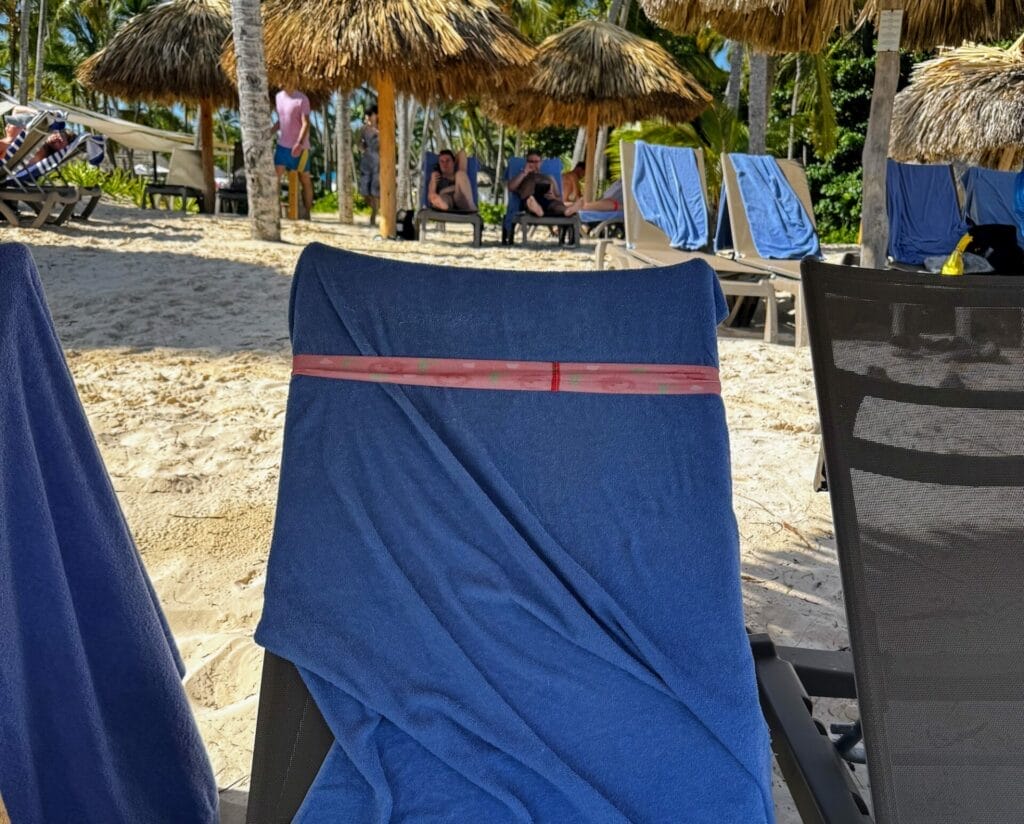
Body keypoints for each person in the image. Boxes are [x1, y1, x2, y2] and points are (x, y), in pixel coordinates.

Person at [273, 87, 313, 219]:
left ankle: (307, 213)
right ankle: (276, 211)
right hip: (282, 146)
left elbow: (306, 123)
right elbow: (282, 120)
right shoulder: (278, 97)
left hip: (300, 147)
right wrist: (269, 131)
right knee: (275, 177)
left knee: (305, 179)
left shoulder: (302, 98)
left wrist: (299, 143)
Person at [508, 149, 581, 218]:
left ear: (541, 162)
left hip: (547, 202)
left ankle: (567, 211)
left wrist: (554, 197)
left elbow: (560, 198)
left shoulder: (549, 177)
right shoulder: (522, 176)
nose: (534, 164)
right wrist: (524, 172)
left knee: (556, 204)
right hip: (529, 201)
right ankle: (537, 210)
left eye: (536, 161)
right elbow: (511, 187)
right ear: (527, 162)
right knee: (530, 201)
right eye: (531, 161)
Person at [359, 105, 380, 226]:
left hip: (379, 163)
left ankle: (374, 215)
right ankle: (375, 209)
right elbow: (359, 143)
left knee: (375, 190)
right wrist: (363, 148)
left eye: (369, 115)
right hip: (366, 162)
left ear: (375, 115)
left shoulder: (382, 128)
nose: (367, 118)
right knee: (364, 192)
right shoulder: (363, 129)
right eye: (366, 116)